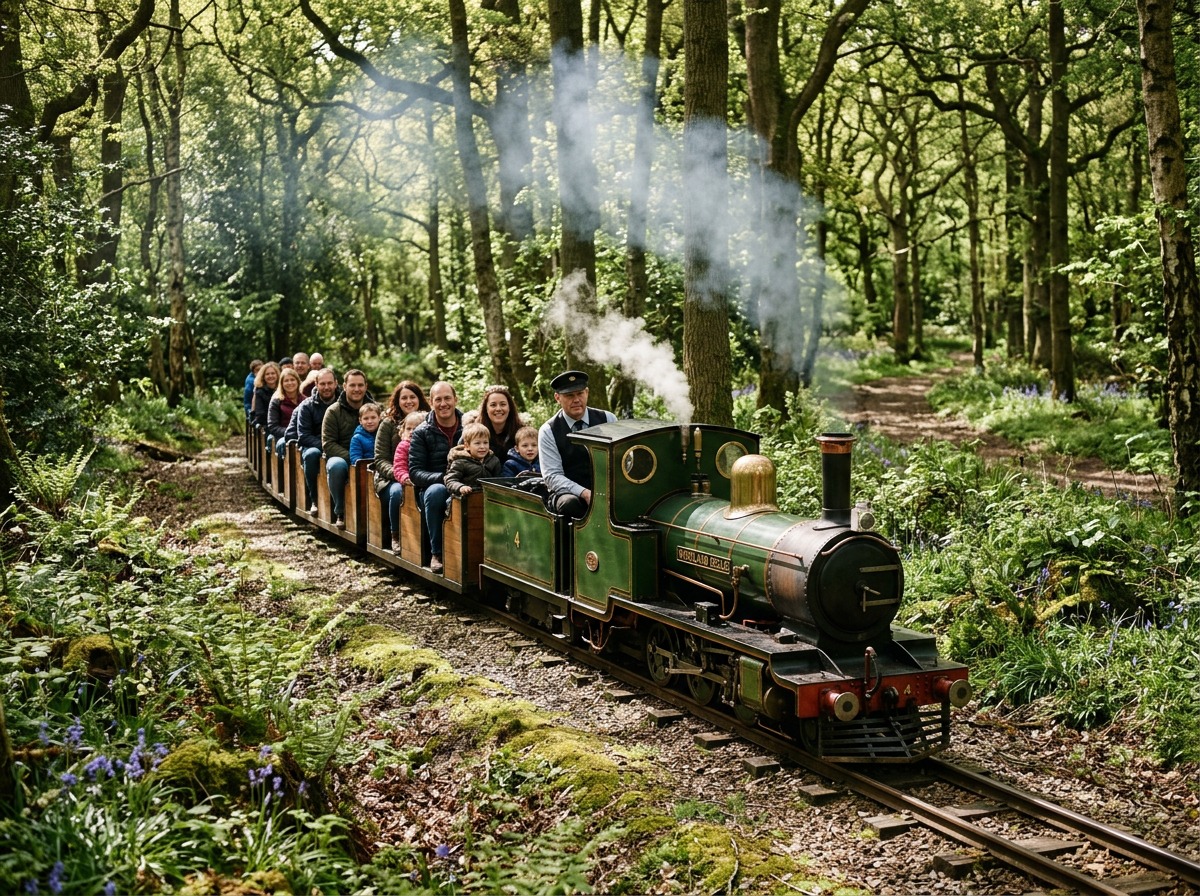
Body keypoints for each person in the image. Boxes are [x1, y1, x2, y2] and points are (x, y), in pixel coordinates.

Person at [538, 370, 615, 518]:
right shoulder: (548, 430)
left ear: (587, 393)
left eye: (580, 393)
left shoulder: (608, 419)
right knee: (569, 503)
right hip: (570, 493)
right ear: (557, 398)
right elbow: (552, 476)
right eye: (569, 395)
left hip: (607, 489)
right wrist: (584, 493)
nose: (576, 399)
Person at [408, 381, 463, 574]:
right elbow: (415, 472)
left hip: (464, 481)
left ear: (455, 399)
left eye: (447, 398)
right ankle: (437, 552)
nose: (443, 403)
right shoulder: (422, 432)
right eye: (438, 399)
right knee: (437, 492)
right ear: (431, 402)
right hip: (433, 487)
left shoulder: (469, 427)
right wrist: (444, 478)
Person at [374, 383, 427, 547]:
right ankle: (395, 534)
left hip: (421, 475)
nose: (408, 401)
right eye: (404, 398)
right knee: (398, 492)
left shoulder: (428, 420)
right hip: (390, 478)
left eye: (412, 397)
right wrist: (399, 475)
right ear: (397, 401)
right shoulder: (388, 424)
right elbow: (380, 459)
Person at [322, 369, 371, 528]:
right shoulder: (333, 411)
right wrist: (354, 458)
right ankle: (340, 511)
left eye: (360, 385)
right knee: (336, 466)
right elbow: (328, 444)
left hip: (370, 456)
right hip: (342, 456)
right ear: (344, 386)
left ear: (365, 386)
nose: (357, 389)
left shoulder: (374, 409)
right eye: (352, 385)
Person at [287, 367, 339, 514]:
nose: (327, 387)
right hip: (314, 444)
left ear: (336, 383)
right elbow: (303, 436)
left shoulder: (344, 402)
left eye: (330, 383)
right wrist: (326, 446)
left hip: (339, 444)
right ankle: (314, 499)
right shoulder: (306, 406)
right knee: (311, 455)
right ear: (316, 384)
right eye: (322, 384)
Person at [445, 422, 503, 495]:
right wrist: (461, 487)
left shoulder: (494, 460)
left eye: (485, 443)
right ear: (467, 446)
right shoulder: (460, 462)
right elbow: (450, 480)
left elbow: (499, 479)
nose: (482, 446)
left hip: (488, 497)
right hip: (465, 498)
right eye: (477, 443)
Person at [267, 367, 303, 457]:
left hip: (302, 435)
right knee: (283, 444)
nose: (290, 383)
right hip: (282, 436)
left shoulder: (305, 401)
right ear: (282, 384)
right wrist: (291, 433)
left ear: (298, 382)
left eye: (292, 380)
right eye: (286, 381)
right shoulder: (276, 401)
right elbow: (273, 427)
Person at [478, 384, 522, 458]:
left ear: (509, 407)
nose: (498, 409)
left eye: (503, 404)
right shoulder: (473, 433)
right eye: (493, 405)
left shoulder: (522, 433)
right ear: (486, 409)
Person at [391, 410, 426, 490]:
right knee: (397, 491)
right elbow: (399, 466)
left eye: (415, 428)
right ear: (403, 431)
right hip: (408, 482)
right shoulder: (403, 446)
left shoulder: (426, 445)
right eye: (408, 429)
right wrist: (405, 477)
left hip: (424, 480)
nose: (411, 432)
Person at [250, 361, 280, 430]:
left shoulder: (282, 389)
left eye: (273, 373)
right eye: (267, 374)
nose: (270, 376)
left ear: (277, 375)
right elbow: (260, 414)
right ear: (263, 377)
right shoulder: (260, 391)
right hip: (267, 425)